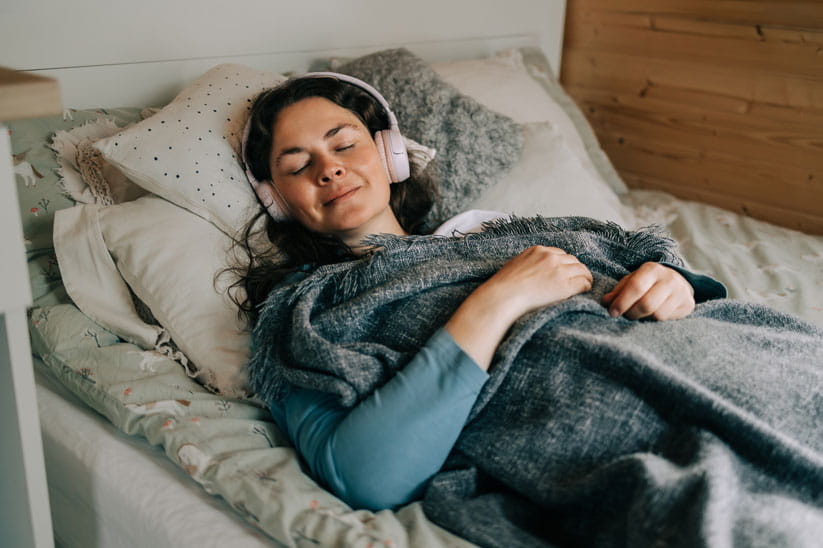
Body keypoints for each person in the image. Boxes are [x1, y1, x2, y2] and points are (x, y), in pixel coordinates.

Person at [232, 73, 727, 511]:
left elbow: (632, 261)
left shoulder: (483, 232)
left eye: (344, 145)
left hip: (692, 364)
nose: (329, 169)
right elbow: (366, 477)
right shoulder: (302, 314)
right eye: (298, 166)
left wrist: (673, 283)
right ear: (276, 201)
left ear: (389, 153)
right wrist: (499, 300)